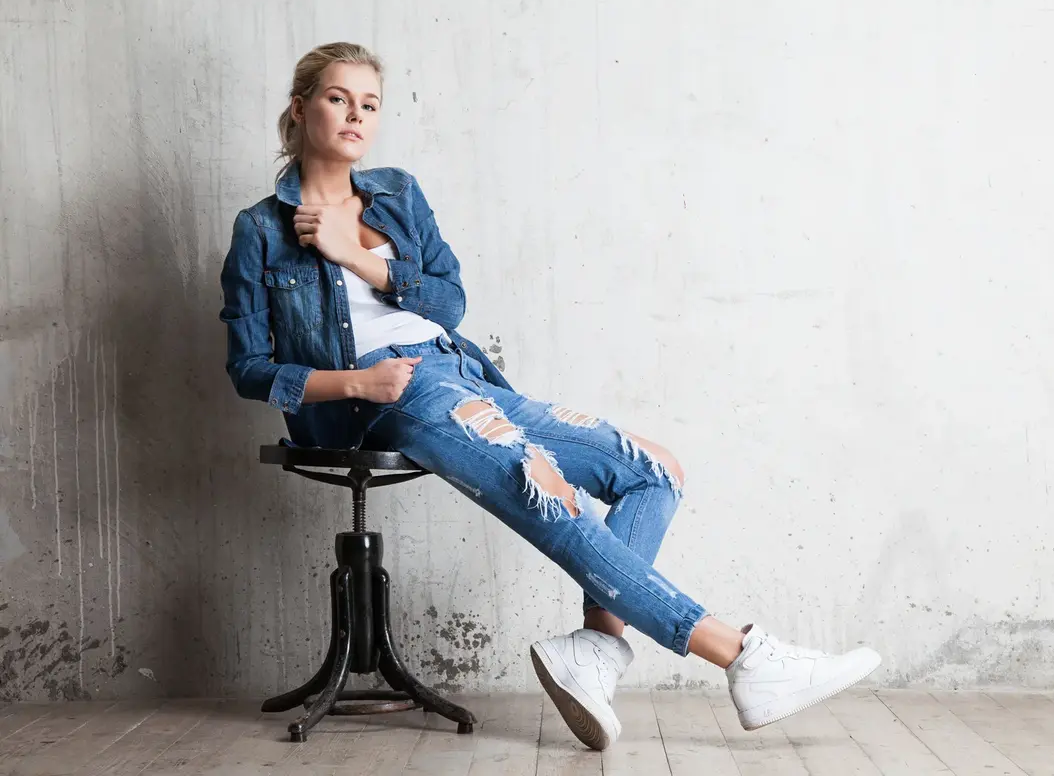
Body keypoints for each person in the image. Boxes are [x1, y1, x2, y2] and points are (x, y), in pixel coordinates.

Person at [219, 42, 880, 751]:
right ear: (300, 108)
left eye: (369, 104)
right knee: (544, 487)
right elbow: (251, 367)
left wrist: (356, 256)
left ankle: (592, 653)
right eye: (337, 98)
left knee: (652, 470)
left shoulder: (396, 194)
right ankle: (741, 655)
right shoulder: (261, 229)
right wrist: (358, 383)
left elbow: (448, 302)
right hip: (382, 395)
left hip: (457, 373)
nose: (355, 114)